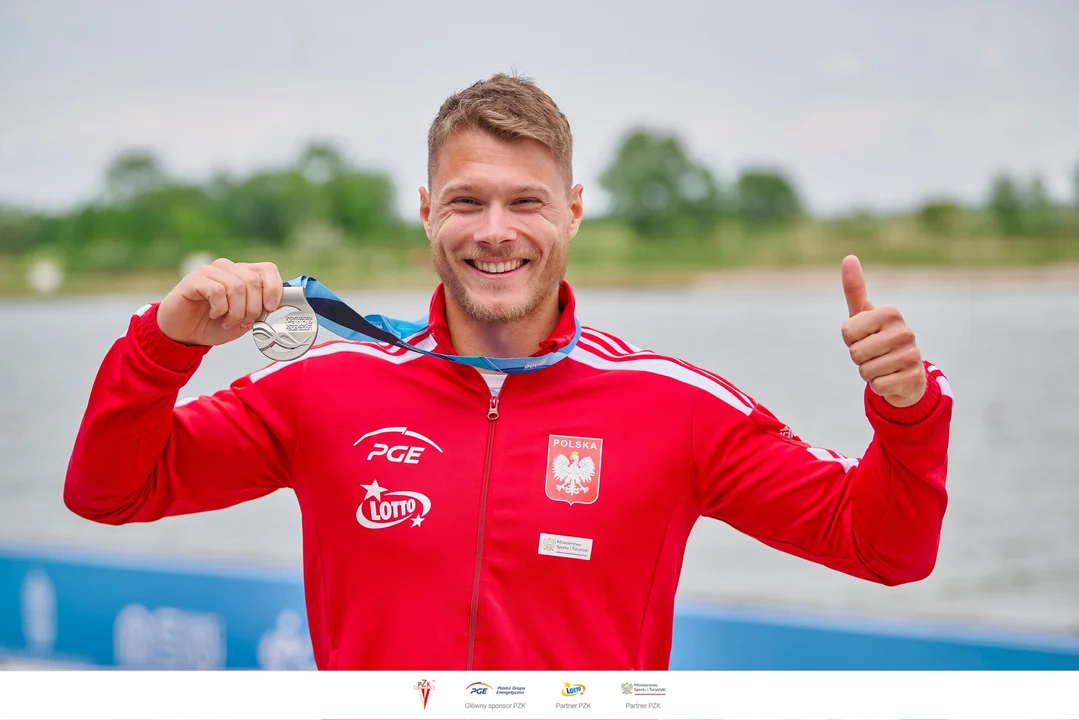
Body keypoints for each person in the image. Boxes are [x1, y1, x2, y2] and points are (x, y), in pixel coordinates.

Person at [64, 73, 953, 671]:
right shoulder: (321, 386)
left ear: (571, 212)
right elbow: (109, 491)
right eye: (467, 201)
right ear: (426, 212)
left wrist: (906, 411)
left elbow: (884, 548)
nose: (495, 231)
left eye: (526, 201)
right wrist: (165, 345)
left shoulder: (675, 407)